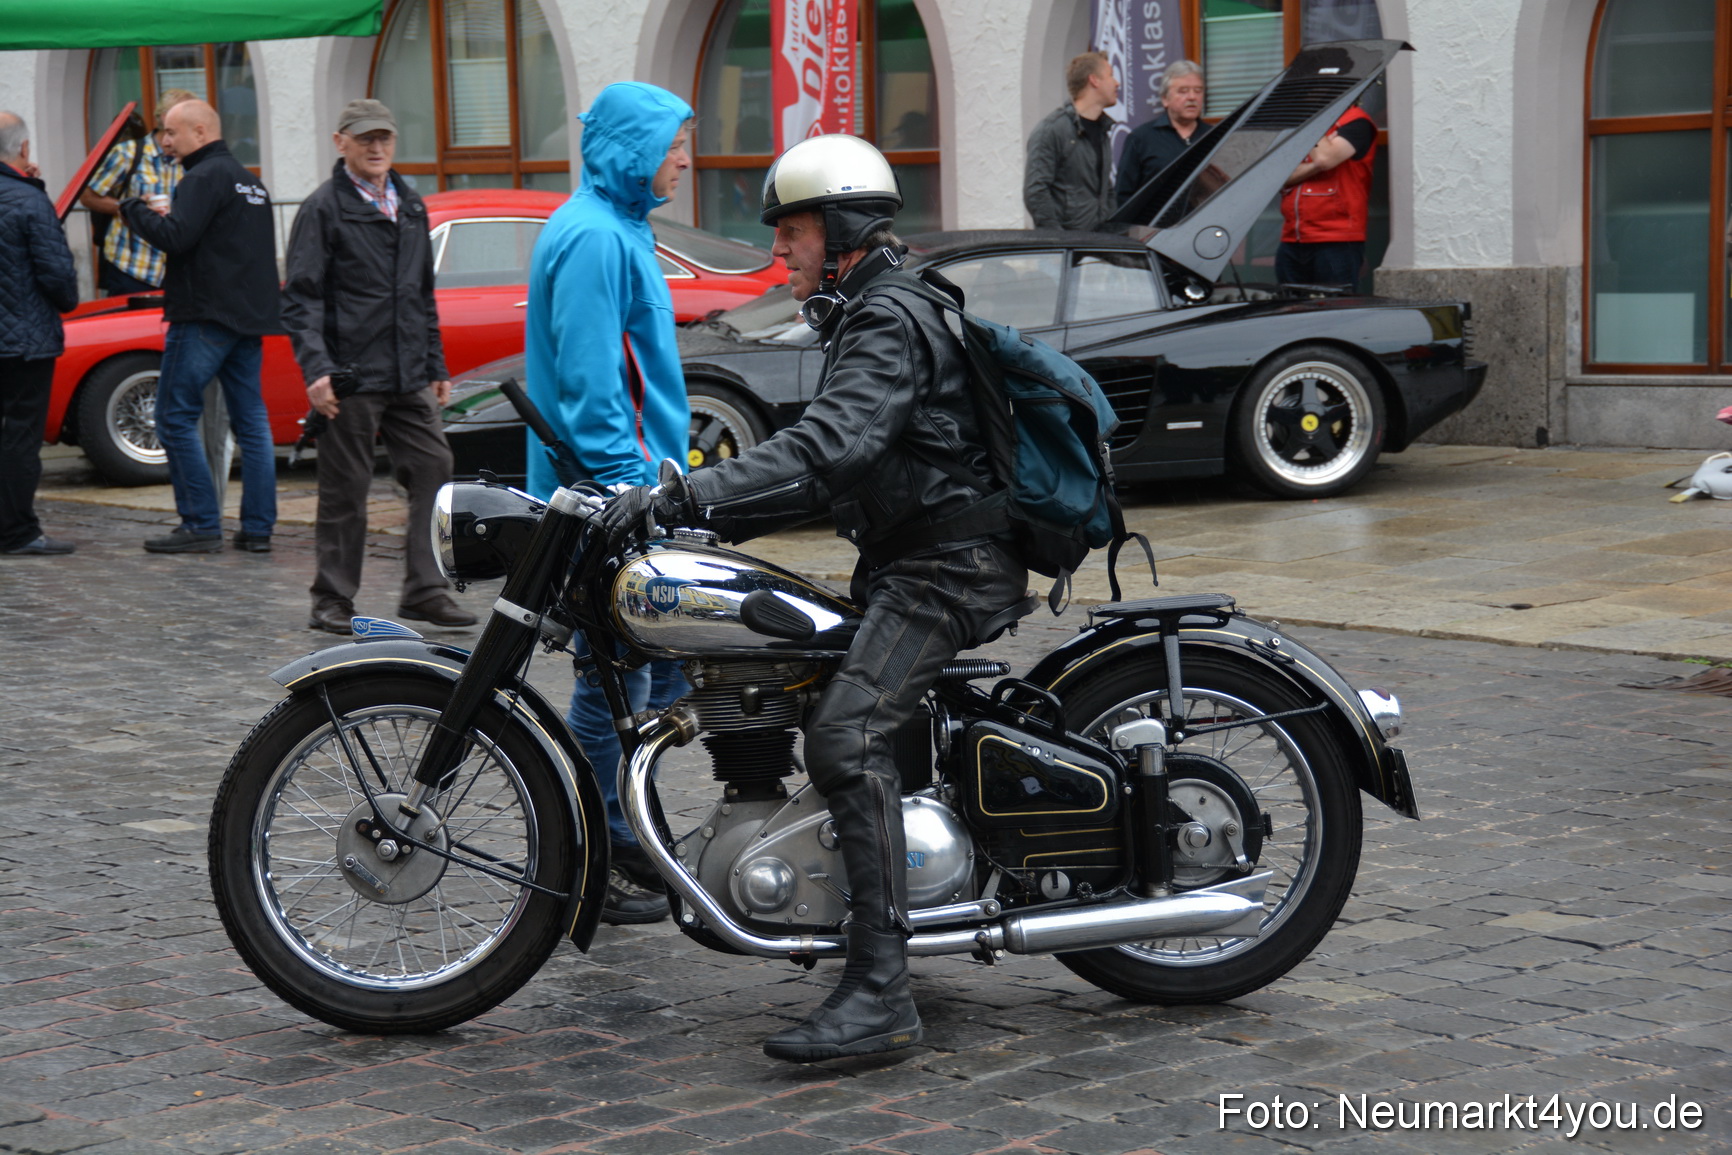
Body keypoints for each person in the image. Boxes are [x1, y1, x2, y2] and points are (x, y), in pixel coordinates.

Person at [600, 135, 1028, 1063]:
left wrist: (684, 492)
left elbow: (827, 449)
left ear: (838, 230)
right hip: (913, 556)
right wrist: (709, 530)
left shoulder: (888, 318)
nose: (780, 254)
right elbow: (837, 474)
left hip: (949, 566)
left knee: (849, 733)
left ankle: (881, 989)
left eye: (790, 233)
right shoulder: (873, 311)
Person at [523, 82, 696, 926]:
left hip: (635, 489)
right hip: (611, 495)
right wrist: (637, 493)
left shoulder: (618, 224)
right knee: (615, 677)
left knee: (657, 669)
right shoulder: (595, 237)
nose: (686, 159)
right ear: (634, 148)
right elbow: (594, 392)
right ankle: (601, 843)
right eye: (674, 145)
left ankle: (628, 827)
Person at [281, 99, 476, 635]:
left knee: (435, 467)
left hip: (408, 369)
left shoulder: (410, 204)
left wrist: (435, 363)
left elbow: (421, 294)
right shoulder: (324, 208)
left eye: (384, 138)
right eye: (365, 138)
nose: (376, 148)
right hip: (350, 374)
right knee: (346, 488)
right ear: (341, 141)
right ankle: (331, 599)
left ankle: (423, 591)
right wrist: (317, 370)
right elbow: (301, 299)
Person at [118, 99, 278, 554]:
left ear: (201, 131)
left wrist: (134, 211)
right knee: (252, 424)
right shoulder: (251, 182)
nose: (165, 142)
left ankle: (201, 524)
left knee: (173, 416)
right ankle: (258, 530)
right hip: (248, 318)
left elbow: (176, 237)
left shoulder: (201, 177)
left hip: (204, 316)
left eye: (171, 132)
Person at [0, 112, 79, 557]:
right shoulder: (29, 202)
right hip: (25, 340)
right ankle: (17, 532)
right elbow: (59, 278)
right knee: (20, 438)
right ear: (25, 150)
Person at [79, 89, 195, 297]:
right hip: (131, 267)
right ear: (164, 119)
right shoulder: (128, 153)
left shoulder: (192, 160)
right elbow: (88, 196)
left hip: (177, 271)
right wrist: (130, 207)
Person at [1276, 103, 1378, 291]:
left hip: (1336, 238)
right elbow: (1281, 175)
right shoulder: (1301, 124)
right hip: (1293, 237)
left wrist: (1315, 129)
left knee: (1335, 312)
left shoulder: (1356, 121)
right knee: (1290, 311)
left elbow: (1325, 158)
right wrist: (1317, 166)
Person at [1023, 51, 1120, 231]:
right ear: (1094, 80)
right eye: (1111, 76)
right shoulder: (1051, 130)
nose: (1117, 83)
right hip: (1064, 252)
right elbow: (1036, 192)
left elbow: (1107, 191)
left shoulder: (1102, 130)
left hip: (1100, 246)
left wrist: (1112, 232)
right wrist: (1060, 242)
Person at [1115, 61, 1209, 205]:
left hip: (1206, 224)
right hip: (1155, 226)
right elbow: (1123, 197)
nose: (1192, 97)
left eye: (1198, 90)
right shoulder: (1140, 139)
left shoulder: (1215, 136)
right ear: (1165, 99)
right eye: (1183, 91)